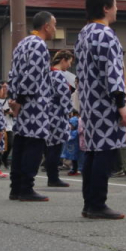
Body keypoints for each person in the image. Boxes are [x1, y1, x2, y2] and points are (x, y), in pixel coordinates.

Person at [74, 0, 126, 220]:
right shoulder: (106, 35)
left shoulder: (84, 33)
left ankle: (90, 203)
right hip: (105, 103)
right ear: (106, 8)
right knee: (105, 152)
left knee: (92, 153)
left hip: (88, 102)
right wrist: (122, 104)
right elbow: (114, 73)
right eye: (115, 4)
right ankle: (98, 203)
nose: (117, 8)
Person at [7, 11, 58, 202]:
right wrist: (19, 100)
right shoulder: (39, 46)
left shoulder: (22, 44)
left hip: (21, 102)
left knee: (20, 144)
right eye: (54, 24)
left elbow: (13, 73)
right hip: (34, 104)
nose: (55, 28)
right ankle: (26, 187)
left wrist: (13, 99)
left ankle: (16, 187)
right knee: (34, 145)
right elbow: (32, 76)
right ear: (46, 26)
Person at [44, 50, 75, 189]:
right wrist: (69, 112)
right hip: (57, 114)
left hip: (46, 113)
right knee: (55, 147)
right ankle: (53, 177)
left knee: (50, 147)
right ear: (63, 60)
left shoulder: (47, 74)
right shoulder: (58, 75)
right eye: (69, 62)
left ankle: (52, 176)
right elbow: (64, 96)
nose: (69, 65)